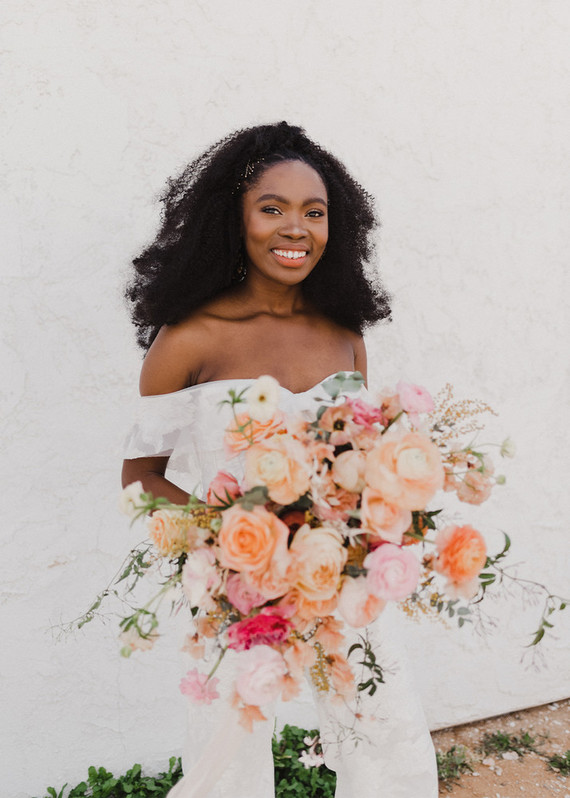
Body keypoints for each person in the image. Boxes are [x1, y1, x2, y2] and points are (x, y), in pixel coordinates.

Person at [122, 121, 438, 798]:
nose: (295, 228)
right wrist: (234, 537)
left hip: (340, 575)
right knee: (227, 748)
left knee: (383, 727)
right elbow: (141, 477)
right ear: (232, 220)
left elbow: (357, 455)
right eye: (272, 209)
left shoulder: (342, 334)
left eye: (314, 212)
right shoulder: (189, 340)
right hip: (233, 582)